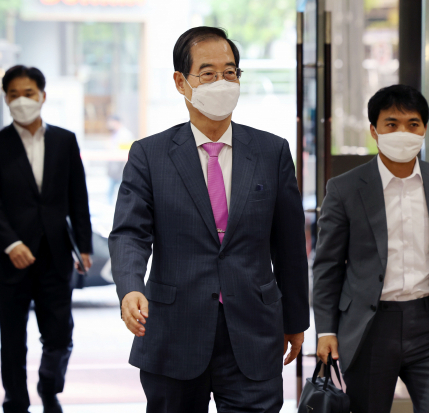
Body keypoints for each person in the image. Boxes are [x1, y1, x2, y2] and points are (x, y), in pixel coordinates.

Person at [109, 26, 309, 413]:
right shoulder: (150, 155)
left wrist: (296, 319)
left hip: (253, 331)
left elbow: (288, 246)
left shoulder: (271, 151)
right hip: (173, 332)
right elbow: (130, 233)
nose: (222, 82)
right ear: (181, 82)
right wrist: (130, 287)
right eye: (208, 73)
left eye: (230, 72)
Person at [313, 85, 429, 413]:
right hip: (371, 327)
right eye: (391, 124)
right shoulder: (345, 189)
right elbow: (327, 265)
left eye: (413, 124)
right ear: (374, 130)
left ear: (424, 130)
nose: (403, 132)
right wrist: (326, 330)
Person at [0, 65, 93, 413]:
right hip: (11, 257)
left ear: (43, 96)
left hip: (56, 254)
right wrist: (11, 243)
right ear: (6, 99)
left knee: (59, 334)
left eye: (28, 93)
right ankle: (15, 398)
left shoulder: (64, 140)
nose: (21, 101)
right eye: (14, 95)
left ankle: (48, 385)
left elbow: (78, 197)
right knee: (12, 337)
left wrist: (84, 246)